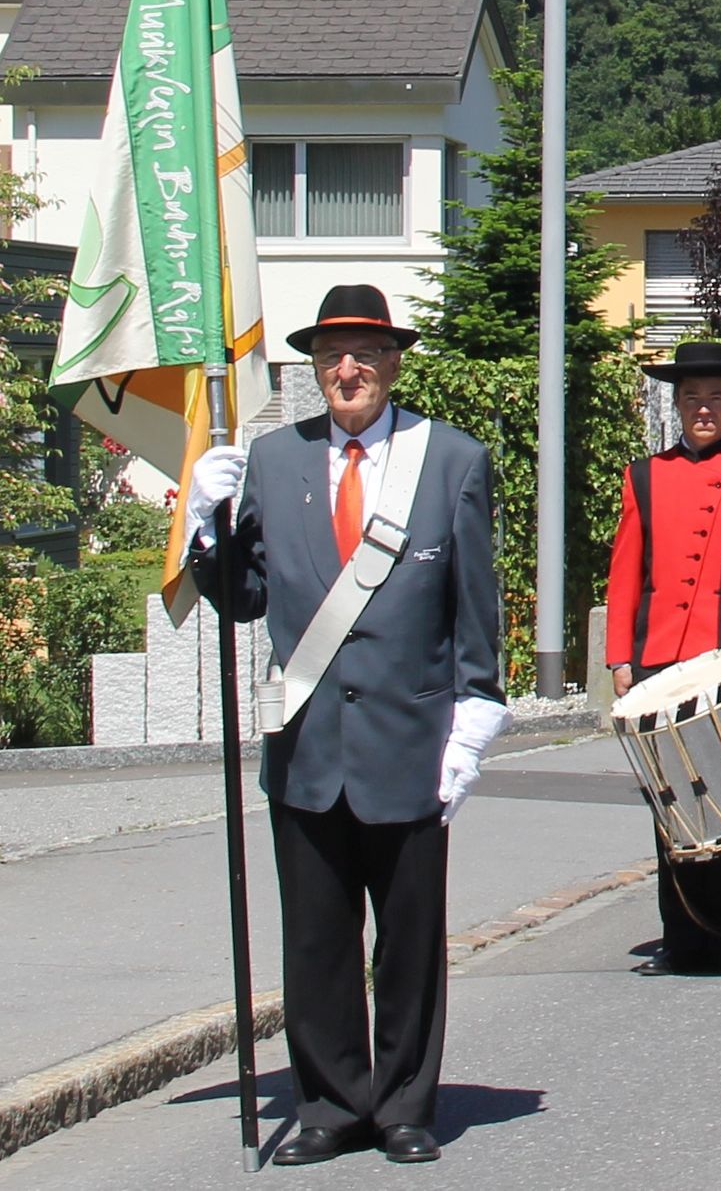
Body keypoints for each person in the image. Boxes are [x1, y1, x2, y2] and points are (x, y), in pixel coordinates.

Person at [185, 285, 501, 1166]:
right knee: (317, 940)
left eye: (363, 354)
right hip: (309, 744)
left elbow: (475, 607)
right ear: (314, 369)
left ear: (393, 363)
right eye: (330, 356)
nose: (347, 370)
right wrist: (206, 527)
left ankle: (403, 1102)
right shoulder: (274, 460)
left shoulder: (448, 460)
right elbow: (244, 598)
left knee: (409, 941)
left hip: (408, 738)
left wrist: (475, 717)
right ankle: (329, 1102)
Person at [604, 339, 721, 978]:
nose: (704, 409)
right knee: (674, 803)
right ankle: (682, 936)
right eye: (692, 399)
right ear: (678, 405)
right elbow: (627, 572)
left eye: (715, 398)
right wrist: (620, 659)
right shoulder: (644, 474)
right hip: (661, 660)